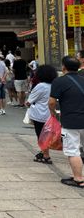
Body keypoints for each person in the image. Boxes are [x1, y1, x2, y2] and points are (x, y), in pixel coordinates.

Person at [49, 56, 84, 188]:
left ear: (63, 67)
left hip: (71, 121)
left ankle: (79, 179)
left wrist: (53, 112)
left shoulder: (59, 81)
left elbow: (52, 102)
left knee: (73, 151)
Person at [26, 64, 57, 165]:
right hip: (50, 114)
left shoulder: (40, 86)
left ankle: (46, 156)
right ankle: (43, 152)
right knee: (46, 134)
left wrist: (28, 104)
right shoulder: (54, 85)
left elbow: (29, 101)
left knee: (40, 135)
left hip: (39, 114)